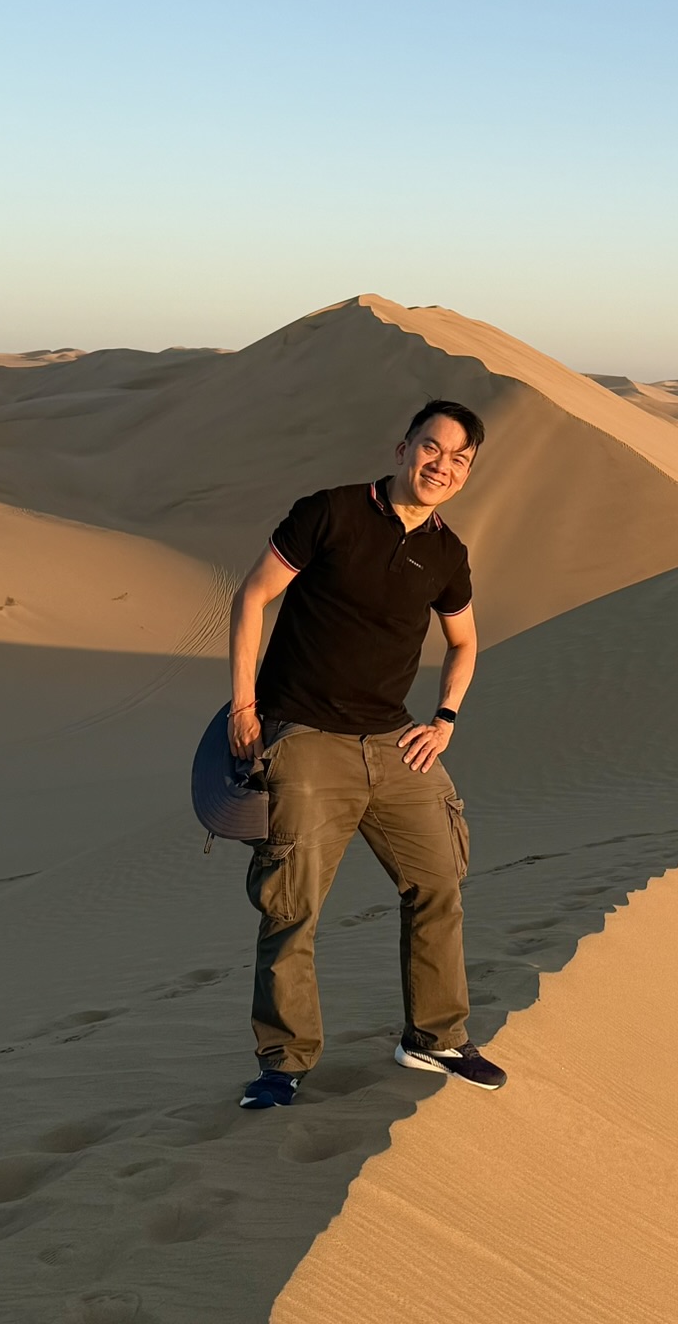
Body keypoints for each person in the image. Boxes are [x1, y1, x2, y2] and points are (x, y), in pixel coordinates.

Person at [226, 399, 505, 1108]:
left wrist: (445, 719)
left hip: (393, 741)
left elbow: (466, 642)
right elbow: (254, 596)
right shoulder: (332, 512)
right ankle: (283, 1062)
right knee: (292, 904)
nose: (441, 466)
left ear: (469, 470)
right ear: (405, 445)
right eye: (431, 448)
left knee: (439, 879)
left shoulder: (446, 551)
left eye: (459, 458)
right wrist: (244, 704)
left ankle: (435, 1036)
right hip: (306, 736)